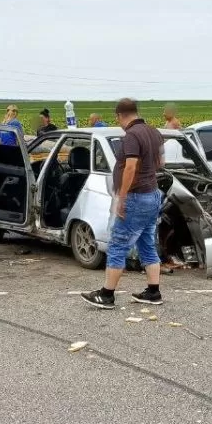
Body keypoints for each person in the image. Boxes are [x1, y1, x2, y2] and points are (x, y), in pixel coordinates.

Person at [82, 98, 165, 309]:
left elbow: (130, 167)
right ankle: (153, 291)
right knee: (146, 242)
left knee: (117, 244)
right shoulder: (154, 132)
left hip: (136, 197)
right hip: (153, 194)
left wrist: (122, 197)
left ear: (120, 115)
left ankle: (107, 294)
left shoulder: (131, 136)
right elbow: (161, 163)